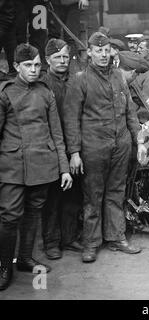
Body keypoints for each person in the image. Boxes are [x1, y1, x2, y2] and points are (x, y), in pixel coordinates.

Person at [62, 32, 145, 263]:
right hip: (93, 147)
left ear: (111, 51)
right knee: (92, 196)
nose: (102, 54)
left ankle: (116, 237)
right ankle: (90, 243)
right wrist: (75, 153)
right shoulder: (80, 80)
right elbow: (71, 119)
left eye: (106, 50)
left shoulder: (119, 76)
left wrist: (139, 139)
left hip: (120, 145)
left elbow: (130, 111)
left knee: (116, 192)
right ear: (89, 52)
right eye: (97, 50)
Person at [0, 43, 72, 290]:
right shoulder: (5, 93)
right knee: (10, 217)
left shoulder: (45, 92)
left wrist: (64, 168)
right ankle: (4, 266)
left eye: (37, 65)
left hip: (43, 164)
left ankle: (25, 258)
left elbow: (57, 133)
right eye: (28, 65)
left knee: (33, 213)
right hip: (13, 167)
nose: (33, 70)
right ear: (16, 66)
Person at [39, 38, 83, 260]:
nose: (63, 61)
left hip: (74, 147)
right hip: (53, 148)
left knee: (73, 196)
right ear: (48, 60)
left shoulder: (75, 81)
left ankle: (69, 237)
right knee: (53, 199)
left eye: (66, 56)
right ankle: (51, 242)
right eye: (58, 57)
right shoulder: (43, 84)